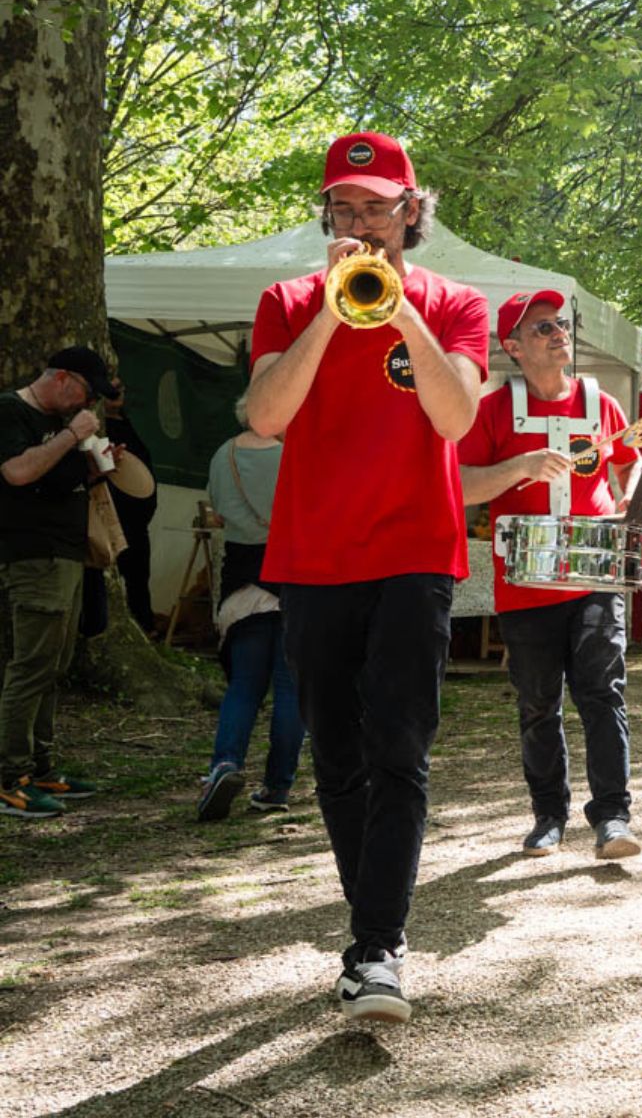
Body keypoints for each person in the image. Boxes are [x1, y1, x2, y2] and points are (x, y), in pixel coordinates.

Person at [247, 131, 489, 1022]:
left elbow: (456, 418)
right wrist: (327, 312)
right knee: (337, 757)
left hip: (415, 553)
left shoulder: (457, 305)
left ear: (410, 211)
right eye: (345, 209)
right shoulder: (285, 300)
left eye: (378, 208)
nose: (362, 225)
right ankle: (371, 927)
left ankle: (378, 947)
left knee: (400, 750)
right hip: (313, 555)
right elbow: (266, 417)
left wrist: (400, 314)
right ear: (328, 217)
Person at [457, 290, 642, 860]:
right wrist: (520, 466)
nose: (557, 332)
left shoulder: (601, 402)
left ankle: (612, 817)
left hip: (593, 574)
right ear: (513, 347)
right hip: (524, 583)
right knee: (538, 702)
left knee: (602, 693)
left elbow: (632, 466)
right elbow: (461, 486)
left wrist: (625, 508)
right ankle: (548, 815)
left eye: (560, 324)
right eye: (541, 328)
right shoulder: (491, 410)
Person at [1, 347, 122, 818]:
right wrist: (73, 435)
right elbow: (17, 472)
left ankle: (41, 766)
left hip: (68, 554)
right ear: (62, 378)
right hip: (33, 556)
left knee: (54, 664)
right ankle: (11, 778)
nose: (86, 404)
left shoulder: (67, 424)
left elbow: (56, 483)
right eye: (86, 393)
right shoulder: (10, 411)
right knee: (31, 667)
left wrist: (95, 466)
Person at [196, 393, 305, 820]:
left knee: (244, 686)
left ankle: (223, 765)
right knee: (291, 691)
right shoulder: (294, 455)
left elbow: (219, 512)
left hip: (241, 585)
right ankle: (277, 786)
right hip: (293, 581)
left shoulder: (222, 455)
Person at [101, 381, 157, 634]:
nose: (117, 393)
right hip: (110, 517)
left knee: (137, 578)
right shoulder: (99, 430)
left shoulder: (129, 426)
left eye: (121, 388)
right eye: (111, 389)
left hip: (136, 521)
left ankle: (145, 629)